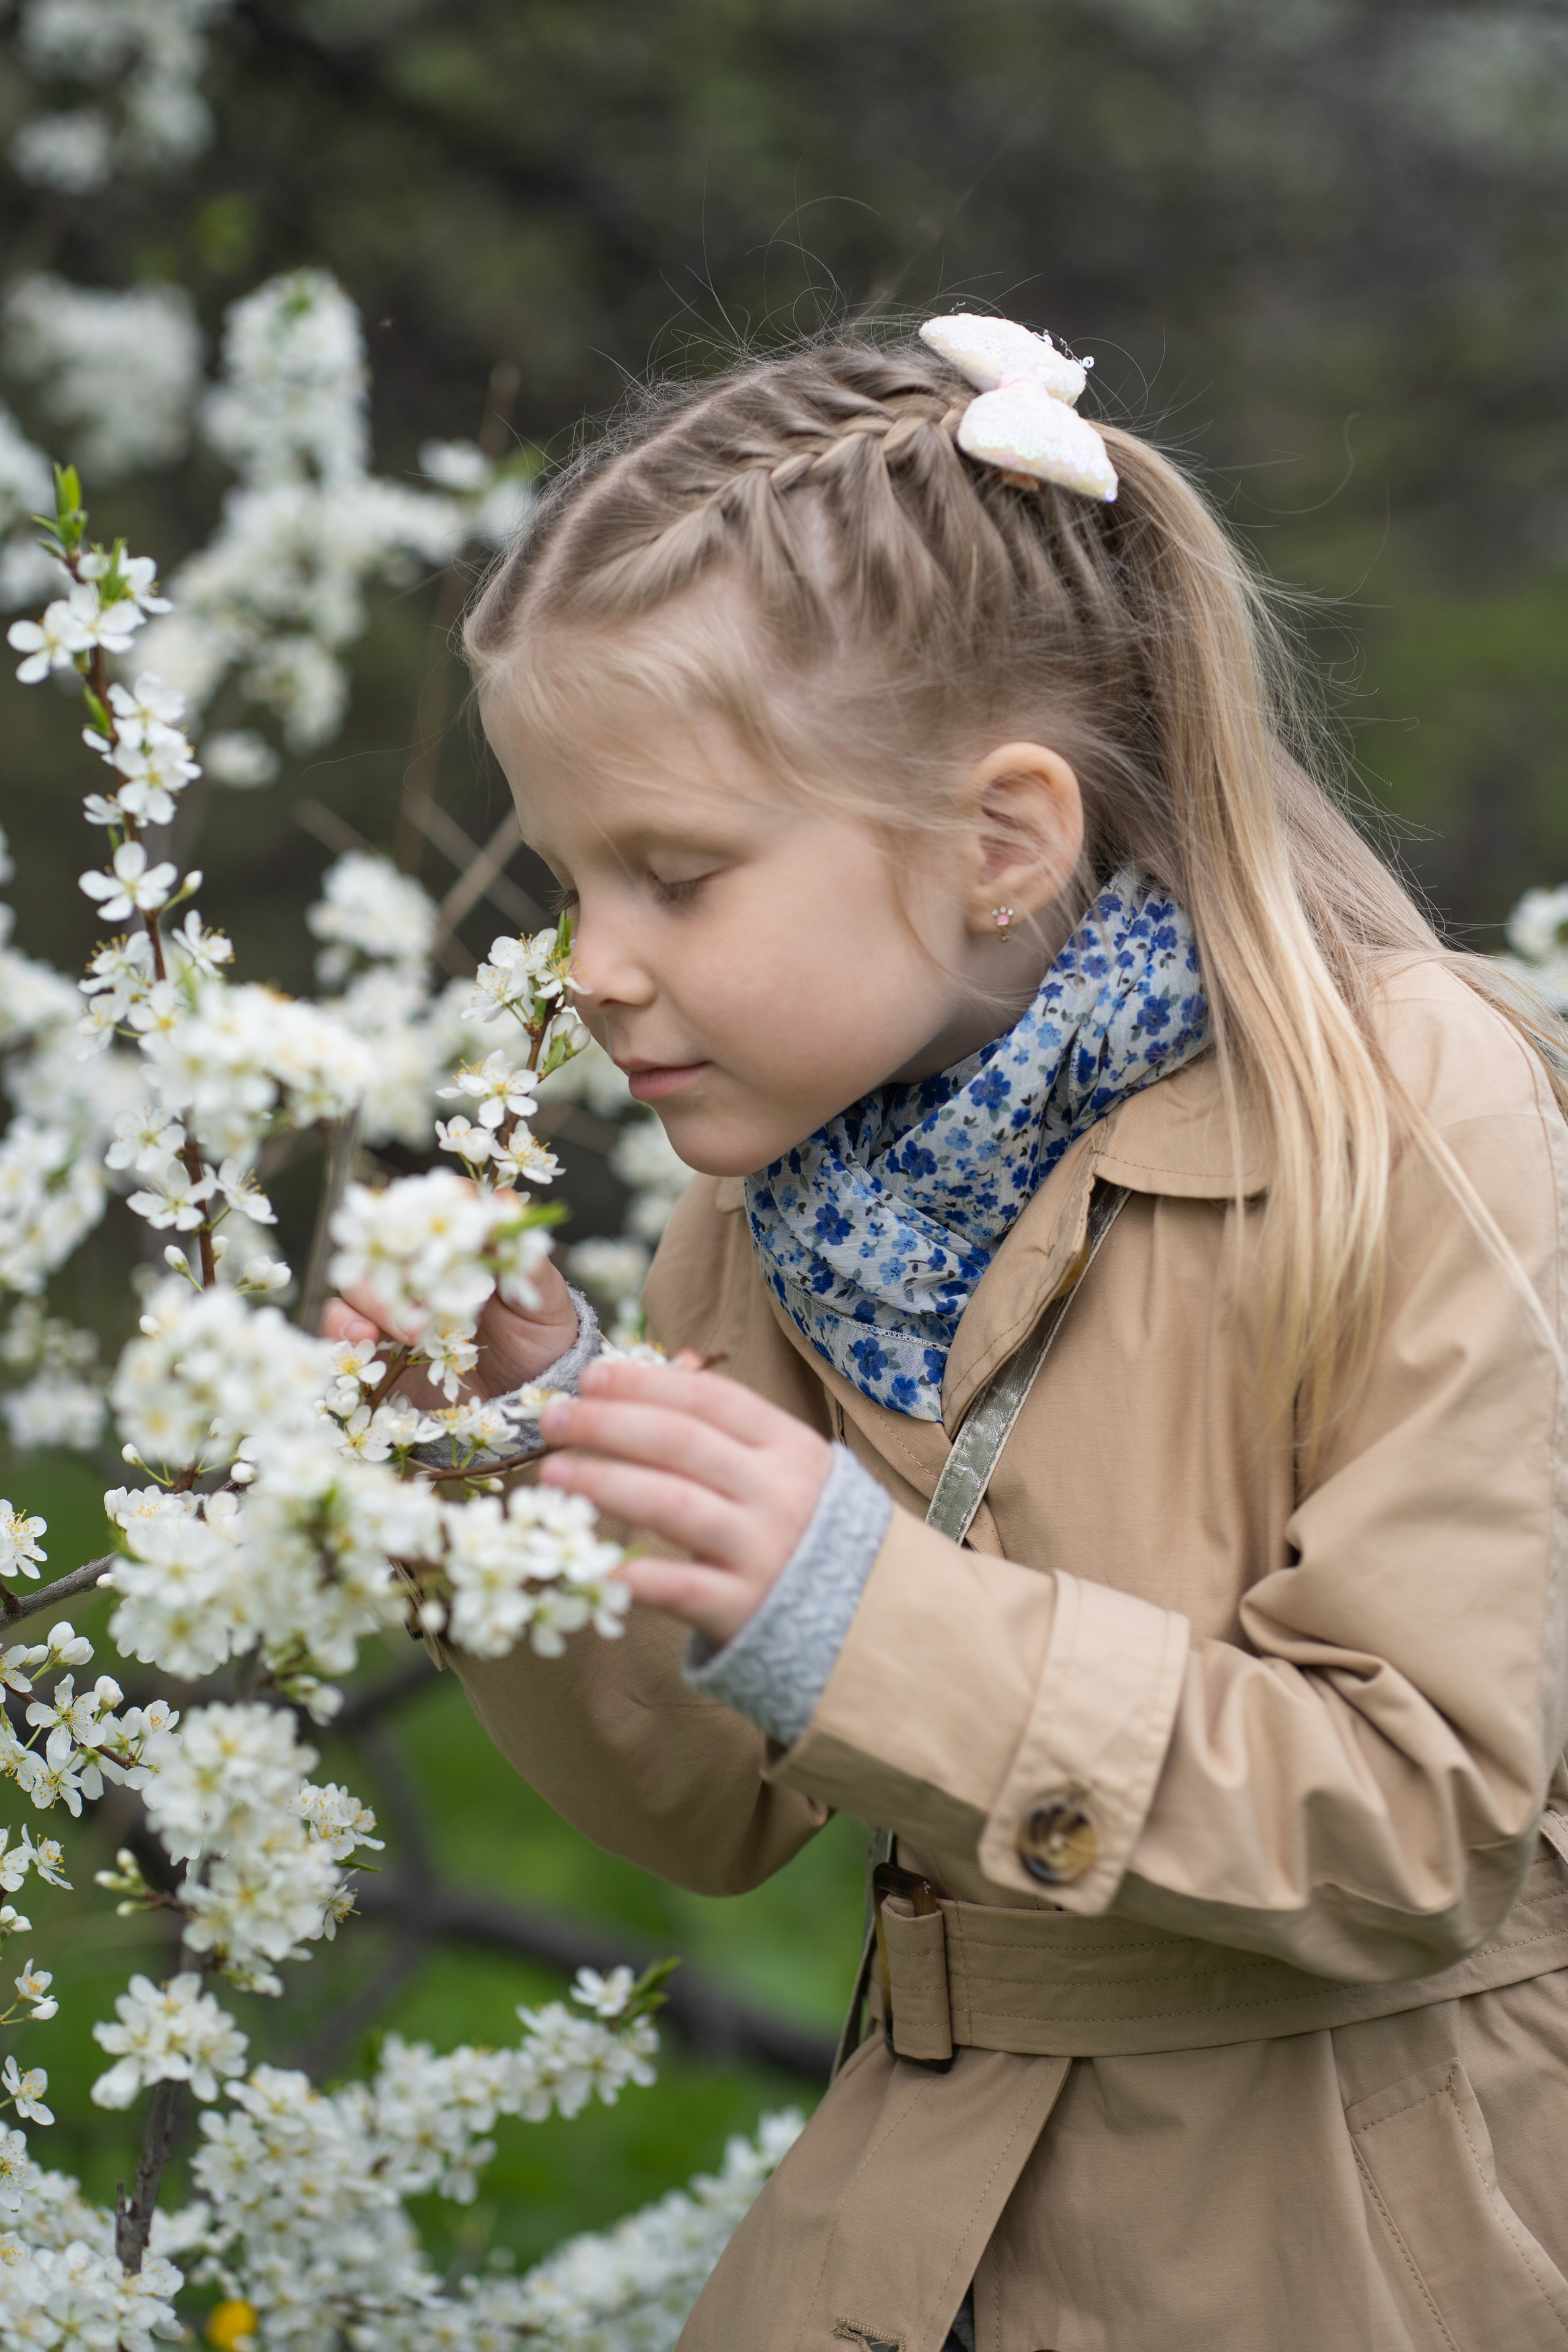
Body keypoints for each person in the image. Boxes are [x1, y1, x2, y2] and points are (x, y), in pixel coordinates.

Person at [328, 316, 1568, 2352]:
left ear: (1002, 840)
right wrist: (521, 1454)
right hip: (925, 2222)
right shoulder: (769, 1196)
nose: (588, 969)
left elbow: (1418, 1816)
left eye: (675, 874)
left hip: (1356, 2231)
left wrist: (852, 1606)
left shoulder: (1409, 1111)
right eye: (568, 880)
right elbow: (712, 1810)